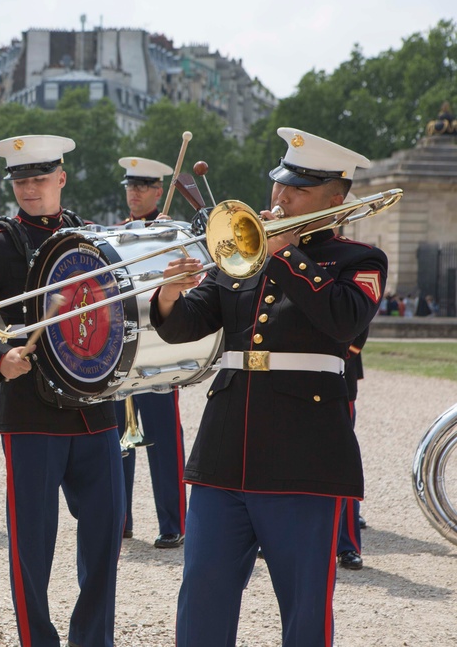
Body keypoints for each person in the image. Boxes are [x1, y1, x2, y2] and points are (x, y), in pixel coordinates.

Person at [153, 127, 386, 645]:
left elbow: (345, 321)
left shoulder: (358, 261)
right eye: (280, 184)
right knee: (202, 597)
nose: (281, 198)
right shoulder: (243, 252)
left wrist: (288, 254)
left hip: (304, 459)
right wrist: (169, 295)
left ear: (336, 197)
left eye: (298, 189)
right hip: (224, 451)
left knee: (304, 609)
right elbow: (188, 323)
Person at [0, 135, 125, 647]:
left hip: (96, 411)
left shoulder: (91, 236)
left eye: (40, 178)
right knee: (32, 548)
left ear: (61, 178)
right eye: (21, 180)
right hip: (31, 412)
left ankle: (92, 640)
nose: (30, 188)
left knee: (106, 541)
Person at [114, 156, 187, 549]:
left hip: (158, 349)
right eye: (131, 185)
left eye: (144, 186)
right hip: (122, 351)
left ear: (159, 191)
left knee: (163, 440)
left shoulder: (173, 234)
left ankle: (173, 522)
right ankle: (120, 518)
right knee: (117, 438)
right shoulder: (117, 235)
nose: (136, 192)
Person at [338, 328, 368, 571]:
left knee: (341, 461)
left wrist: (342, 353)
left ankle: (347, 544)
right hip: (288, 378)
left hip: (337, 377)